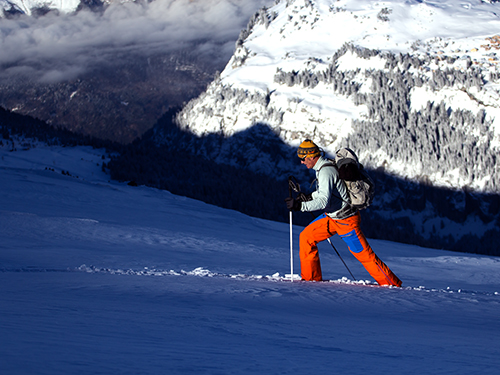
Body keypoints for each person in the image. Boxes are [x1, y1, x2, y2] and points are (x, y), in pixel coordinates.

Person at [285, 139, 402, 286]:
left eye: (303, 158)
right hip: (332, 217)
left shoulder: (325, 171)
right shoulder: (323, 167)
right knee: (306, 237)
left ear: (312, 156)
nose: (302, 162)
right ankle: (310, 280)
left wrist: (299, 206)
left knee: (365, 255)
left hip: (346, 221)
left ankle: (392, 284)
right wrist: (309, 197)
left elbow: (323, 202)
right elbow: (326, 193)